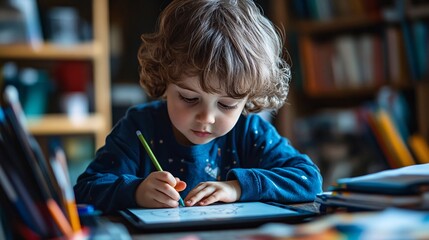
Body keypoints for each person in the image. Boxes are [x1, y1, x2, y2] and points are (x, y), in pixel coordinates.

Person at [74, 0, 323, 213]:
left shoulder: (249, 131)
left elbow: (308, 179)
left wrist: (236, 188)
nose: (206, 117)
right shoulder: (139, 127)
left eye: (226, 104)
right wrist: (136, 191)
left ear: (247, 100)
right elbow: (86, 189)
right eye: (189, 98)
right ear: (164, 79)